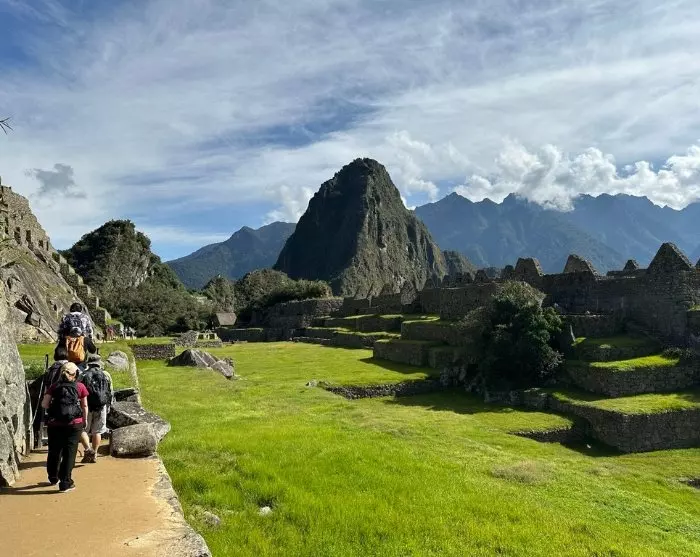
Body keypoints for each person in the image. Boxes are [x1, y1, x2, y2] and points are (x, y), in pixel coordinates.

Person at [41, 362, 88, 493]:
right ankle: (65, 482)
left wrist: (55, 409)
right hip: (74, 423)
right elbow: (84, 406)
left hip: (55, 423)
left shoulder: (54, 386)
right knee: (70, 452)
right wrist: (84, 420)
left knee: (54, 450)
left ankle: (53, 476)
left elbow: (44, 404)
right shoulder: (80, 386)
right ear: (75, 374)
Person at [80, 355, 113, 463]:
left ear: (88, 364)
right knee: (97, 431)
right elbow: (110, 392)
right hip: (101, 406)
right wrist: (108, 406)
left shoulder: (83, 375)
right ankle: (94, 454)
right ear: (99, 363)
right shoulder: (106, 374)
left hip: (86, 406)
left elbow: (78, 391)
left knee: (82, 430)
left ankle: (88, 450)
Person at [57, 302, 97, 368]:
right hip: (82, 341)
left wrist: (61, 340)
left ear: (71, 308)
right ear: (80, 309)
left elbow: (61, 330)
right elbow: (90, 331)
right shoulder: (85, 317)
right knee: (81, 356)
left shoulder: (66, 317)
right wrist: (89, 341)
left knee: (67, 359)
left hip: (68, 341)